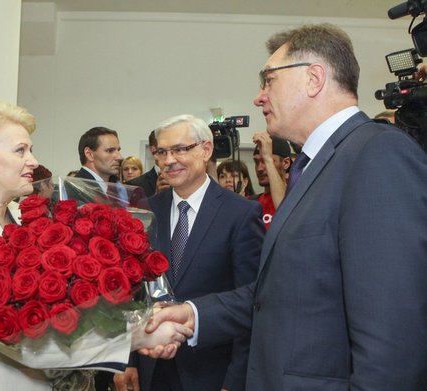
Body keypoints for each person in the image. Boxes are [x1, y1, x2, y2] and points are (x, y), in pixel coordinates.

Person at [143, 23, 427, 390]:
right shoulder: (316, 166)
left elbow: (394, 332)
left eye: (269, 80)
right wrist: (193, 314)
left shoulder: (376, 154)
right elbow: (278, 294)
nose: (259, 97)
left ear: (313, 78)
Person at [0, 100, 192, 391]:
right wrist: (140, 335)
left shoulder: (20, 215)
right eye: (20, 150)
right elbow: (22, 340)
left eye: (30, 149)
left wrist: (142, 317)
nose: (33, 160)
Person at [118, 114, 265, 391]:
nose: (169, 160)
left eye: (180, 149)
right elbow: (132, 293)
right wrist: (129, 361)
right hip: (152, 368)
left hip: (211, 372)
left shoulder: (241, 214)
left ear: (206, 149)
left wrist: (235, 381)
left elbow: (252, 301)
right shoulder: (145, 211)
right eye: (162, 152)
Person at [250, 133, 291, 229]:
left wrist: (267, 158)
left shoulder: (297, 199)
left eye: (265, 161)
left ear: (285, 163)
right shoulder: (251, 202)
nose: (259, 168)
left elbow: (284, 210)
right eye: (257, 162)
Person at [127, 130, 169, 197]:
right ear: (153, 150)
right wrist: (157, 196)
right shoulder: (135, 186)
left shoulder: (186, 180)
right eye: (165, 148)